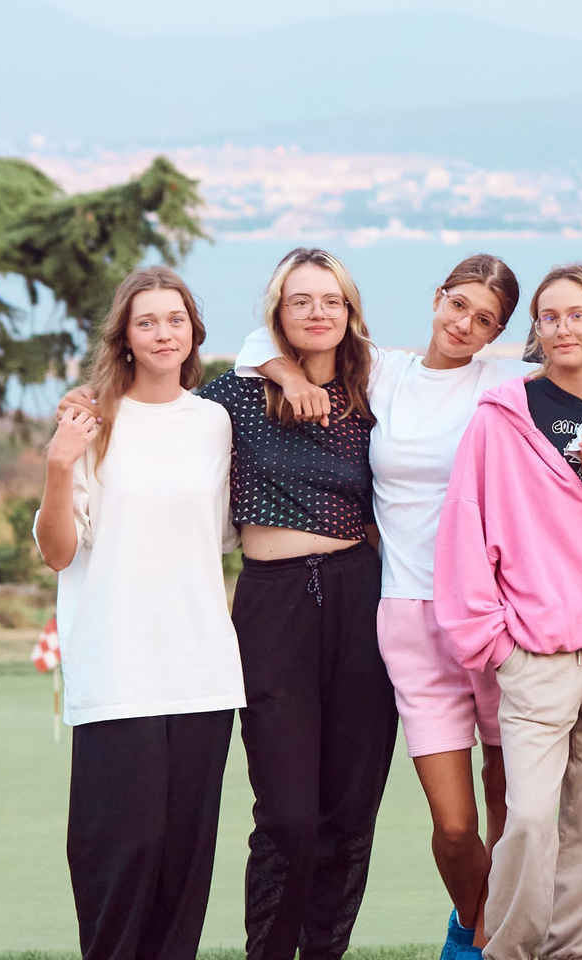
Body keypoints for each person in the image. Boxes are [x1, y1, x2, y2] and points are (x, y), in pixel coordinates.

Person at [232, 254, 536, 960]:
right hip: (404, 612)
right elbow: (263, 341)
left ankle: (488, 944)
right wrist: (285, 375)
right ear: (437, 298)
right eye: (458, 305)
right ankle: (478, 926)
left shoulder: (508, 382)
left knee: (512, 812)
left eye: (485, 319)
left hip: (496, 616)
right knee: (455, 827)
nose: (465, 325)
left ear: (499, 332)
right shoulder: (383, 371)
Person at [435, 264, 582, 960]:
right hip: (534, 653)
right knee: (530, 820)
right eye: (550, 316)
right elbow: (465, 530)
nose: (563, 328)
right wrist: (495, 645)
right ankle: (507, 951)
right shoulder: (500, 418)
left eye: (577, 315)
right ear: (537, 330)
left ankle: (578, 952)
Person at [194, 248, 399, 960]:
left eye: (331, 301)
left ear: (350, 313)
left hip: (360, 598)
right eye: (300, 301)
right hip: (272, 604)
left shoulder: (374, 391)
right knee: (286, 815)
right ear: (277, 315)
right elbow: (160, 411)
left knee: (349, 810)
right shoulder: (234, 396)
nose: (317, 313)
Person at [37, 266, 241, 960]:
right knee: (119, 856)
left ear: (193, 333)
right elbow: (58, 552)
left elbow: (224, 532)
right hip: (115, 669)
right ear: (124, 335)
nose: (162, 333)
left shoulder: (214, 422)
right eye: (146, 321)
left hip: (202, 671)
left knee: (183, 866)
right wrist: (59, 465)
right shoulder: (89, 421)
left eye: (175, 319)